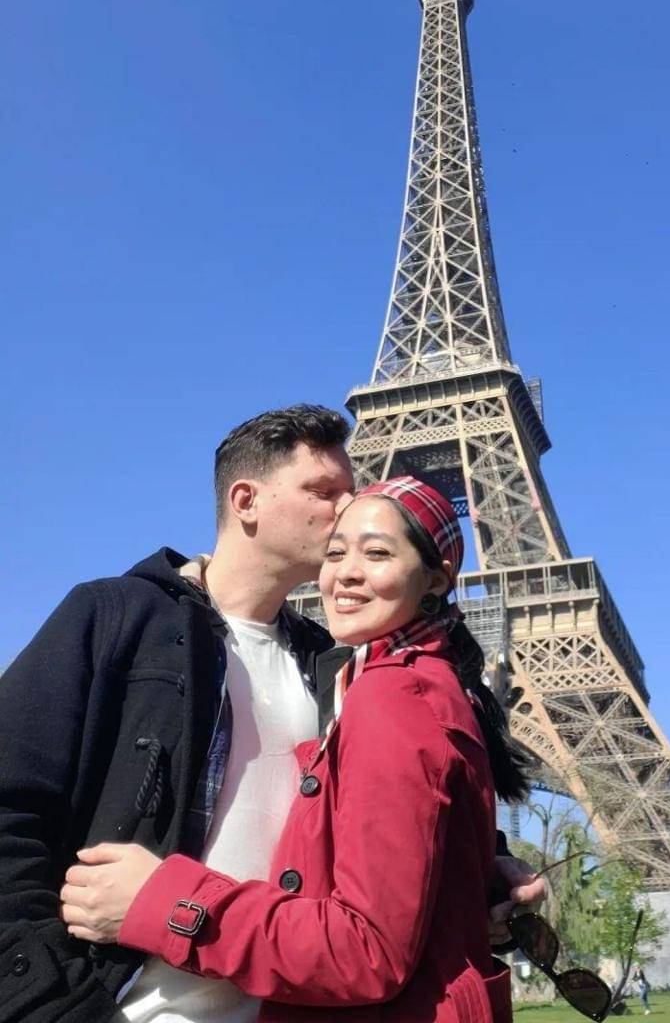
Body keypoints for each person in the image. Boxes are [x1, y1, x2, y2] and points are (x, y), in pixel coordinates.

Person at [0, 406, 544, 1022]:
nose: (348, 506)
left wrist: (477, 871)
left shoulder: (340, 666)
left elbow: (387, 828)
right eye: (324, 491)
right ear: (246, 501)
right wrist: (51, 1001)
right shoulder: (116, 618)